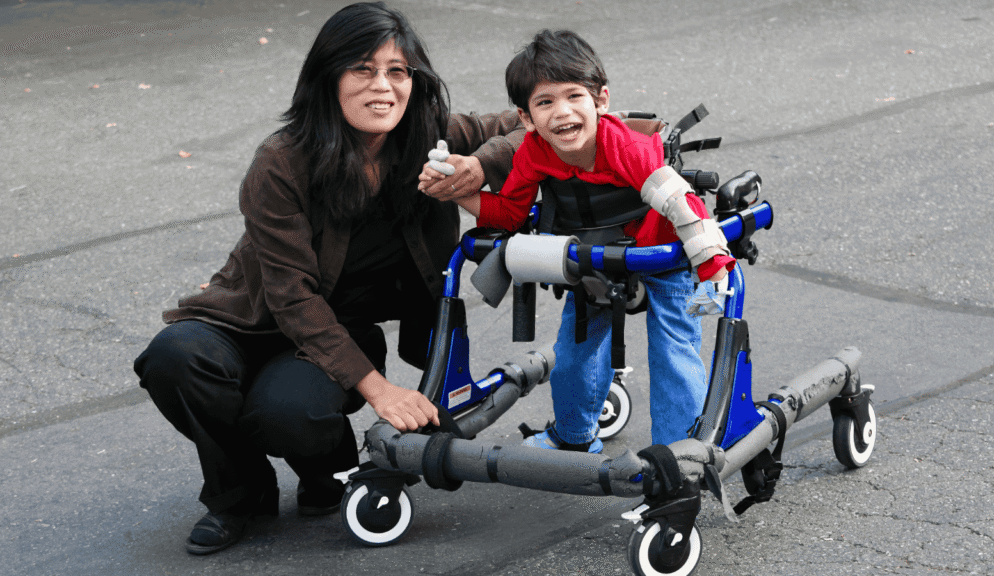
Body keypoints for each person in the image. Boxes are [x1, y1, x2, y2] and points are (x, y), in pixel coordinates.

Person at [133, 2, 523, 556]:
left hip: (339, 332)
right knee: (174, 359)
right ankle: (237, 495)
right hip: (253, 319)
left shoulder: (428, 137)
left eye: (397, 71)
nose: (382, 87)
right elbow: (291, 297)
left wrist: (482, 166)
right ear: (328, 77)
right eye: (361, 69)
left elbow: (522, 124)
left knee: (288, 412)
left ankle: (328, 470)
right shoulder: (282, 162)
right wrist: (380, 390)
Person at [420, 29, 734, 453]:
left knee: (674, 356)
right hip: (594, 260)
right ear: (527, 118)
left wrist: (713, 265)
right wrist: (457, 190)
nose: (561, 113)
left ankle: (677, 459)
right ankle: (573, 435)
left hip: (663, 259)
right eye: (545, 103)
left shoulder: (626, 147)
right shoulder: (533, 152)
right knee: (573, 356)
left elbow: (682, 204)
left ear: (600, 101)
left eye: (573, 97)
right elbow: (509, 215)